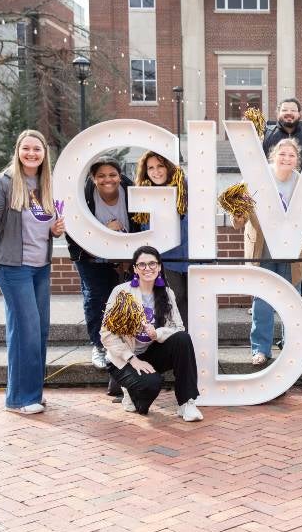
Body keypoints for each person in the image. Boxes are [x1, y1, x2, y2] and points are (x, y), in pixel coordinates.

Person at [0, 130, 66, 414]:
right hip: (11, 266)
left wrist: (54, 231)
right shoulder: (2, 183)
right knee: (25, 331)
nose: (31, 153)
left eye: (36, 149)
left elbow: (44, 227)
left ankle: (33, 392)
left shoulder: (46, 184)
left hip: (40, 267)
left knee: (39, 330)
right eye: (26, 148)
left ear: (44, 154)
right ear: (17, 151)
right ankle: (19, 399)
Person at [100, 246, 202, 421]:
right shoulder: (121, 292)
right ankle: (130, 392)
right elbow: (106, 334)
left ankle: (187, 403)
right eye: (142, 264)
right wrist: (132, 358)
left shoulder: (167, 294)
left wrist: (158, 334)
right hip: (124, 358)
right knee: (151, 385)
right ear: (135, 269)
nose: (148, 268)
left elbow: (179, 328)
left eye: (152, 263)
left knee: (182, 340)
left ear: (160, 267)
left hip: (151, 352)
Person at [232, 138, 302, 365]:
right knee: (262, 301)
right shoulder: (255, 179)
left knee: (291, 301)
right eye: (282, 154)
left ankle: (292, 348)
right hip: (262, 248)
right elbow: (237, 222)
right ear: (273, 156)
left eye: (291, 155)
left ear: (297, 160)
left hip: (291, 251)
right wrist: (240, 207)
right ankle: (260, 349)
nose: (286, 158)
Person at [66, 156, 139, 370]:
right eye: (101, 176)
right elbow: (72, 224)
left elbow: (139, 223)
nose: (108, 180)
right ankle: (99, 345)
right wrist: (104, 234)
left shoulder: (130, 190)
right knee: (96, 297)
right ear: (93, 178)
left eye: (112, 174)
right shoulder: (84, 194)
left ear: (120, 175)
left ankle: (123, 345)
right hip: (91, 255)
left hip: (124, 256)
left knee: (124, 299)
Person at [262, 98, 302, 301]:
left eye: (293, 110)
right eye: (285, 110)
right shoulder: (269, 135)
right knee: (266, 259)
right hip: (272, 208)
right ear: (278, 113)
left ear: (299, 114)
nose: (289, 113)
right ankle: (267, 300)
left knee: (299, 259)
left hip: (298, 202)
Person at [134, 151, 189, 327]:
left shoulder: (184, 187)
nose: (156, 171)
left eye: (160, 166)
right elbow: (144, 228)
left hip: (192, 253)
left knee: (196, 300)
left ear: (168, 167)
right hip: (167, 257)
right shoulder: (144, 193)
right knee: (175, 297)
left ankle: (194, 344)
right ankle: (177, 340)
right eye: (150, 168)